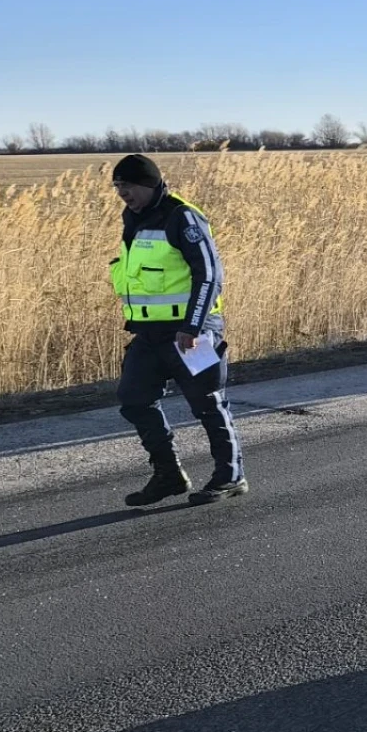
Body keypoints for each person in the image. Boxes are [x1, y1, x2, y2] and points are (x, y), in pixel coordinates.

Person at [109, 154, 247, 506]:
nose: (122, 192)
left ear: (149, 183)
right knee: (134, 398)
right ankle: (169, 475)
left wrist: (193, 325)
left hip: (192, 332)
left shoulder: (181, 216)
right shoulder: (134, 218)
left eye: (128, 185)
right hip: (150, 334)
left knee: (208, 402)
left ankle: (230, 476)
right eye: (118, 186)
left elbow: (210, 274)